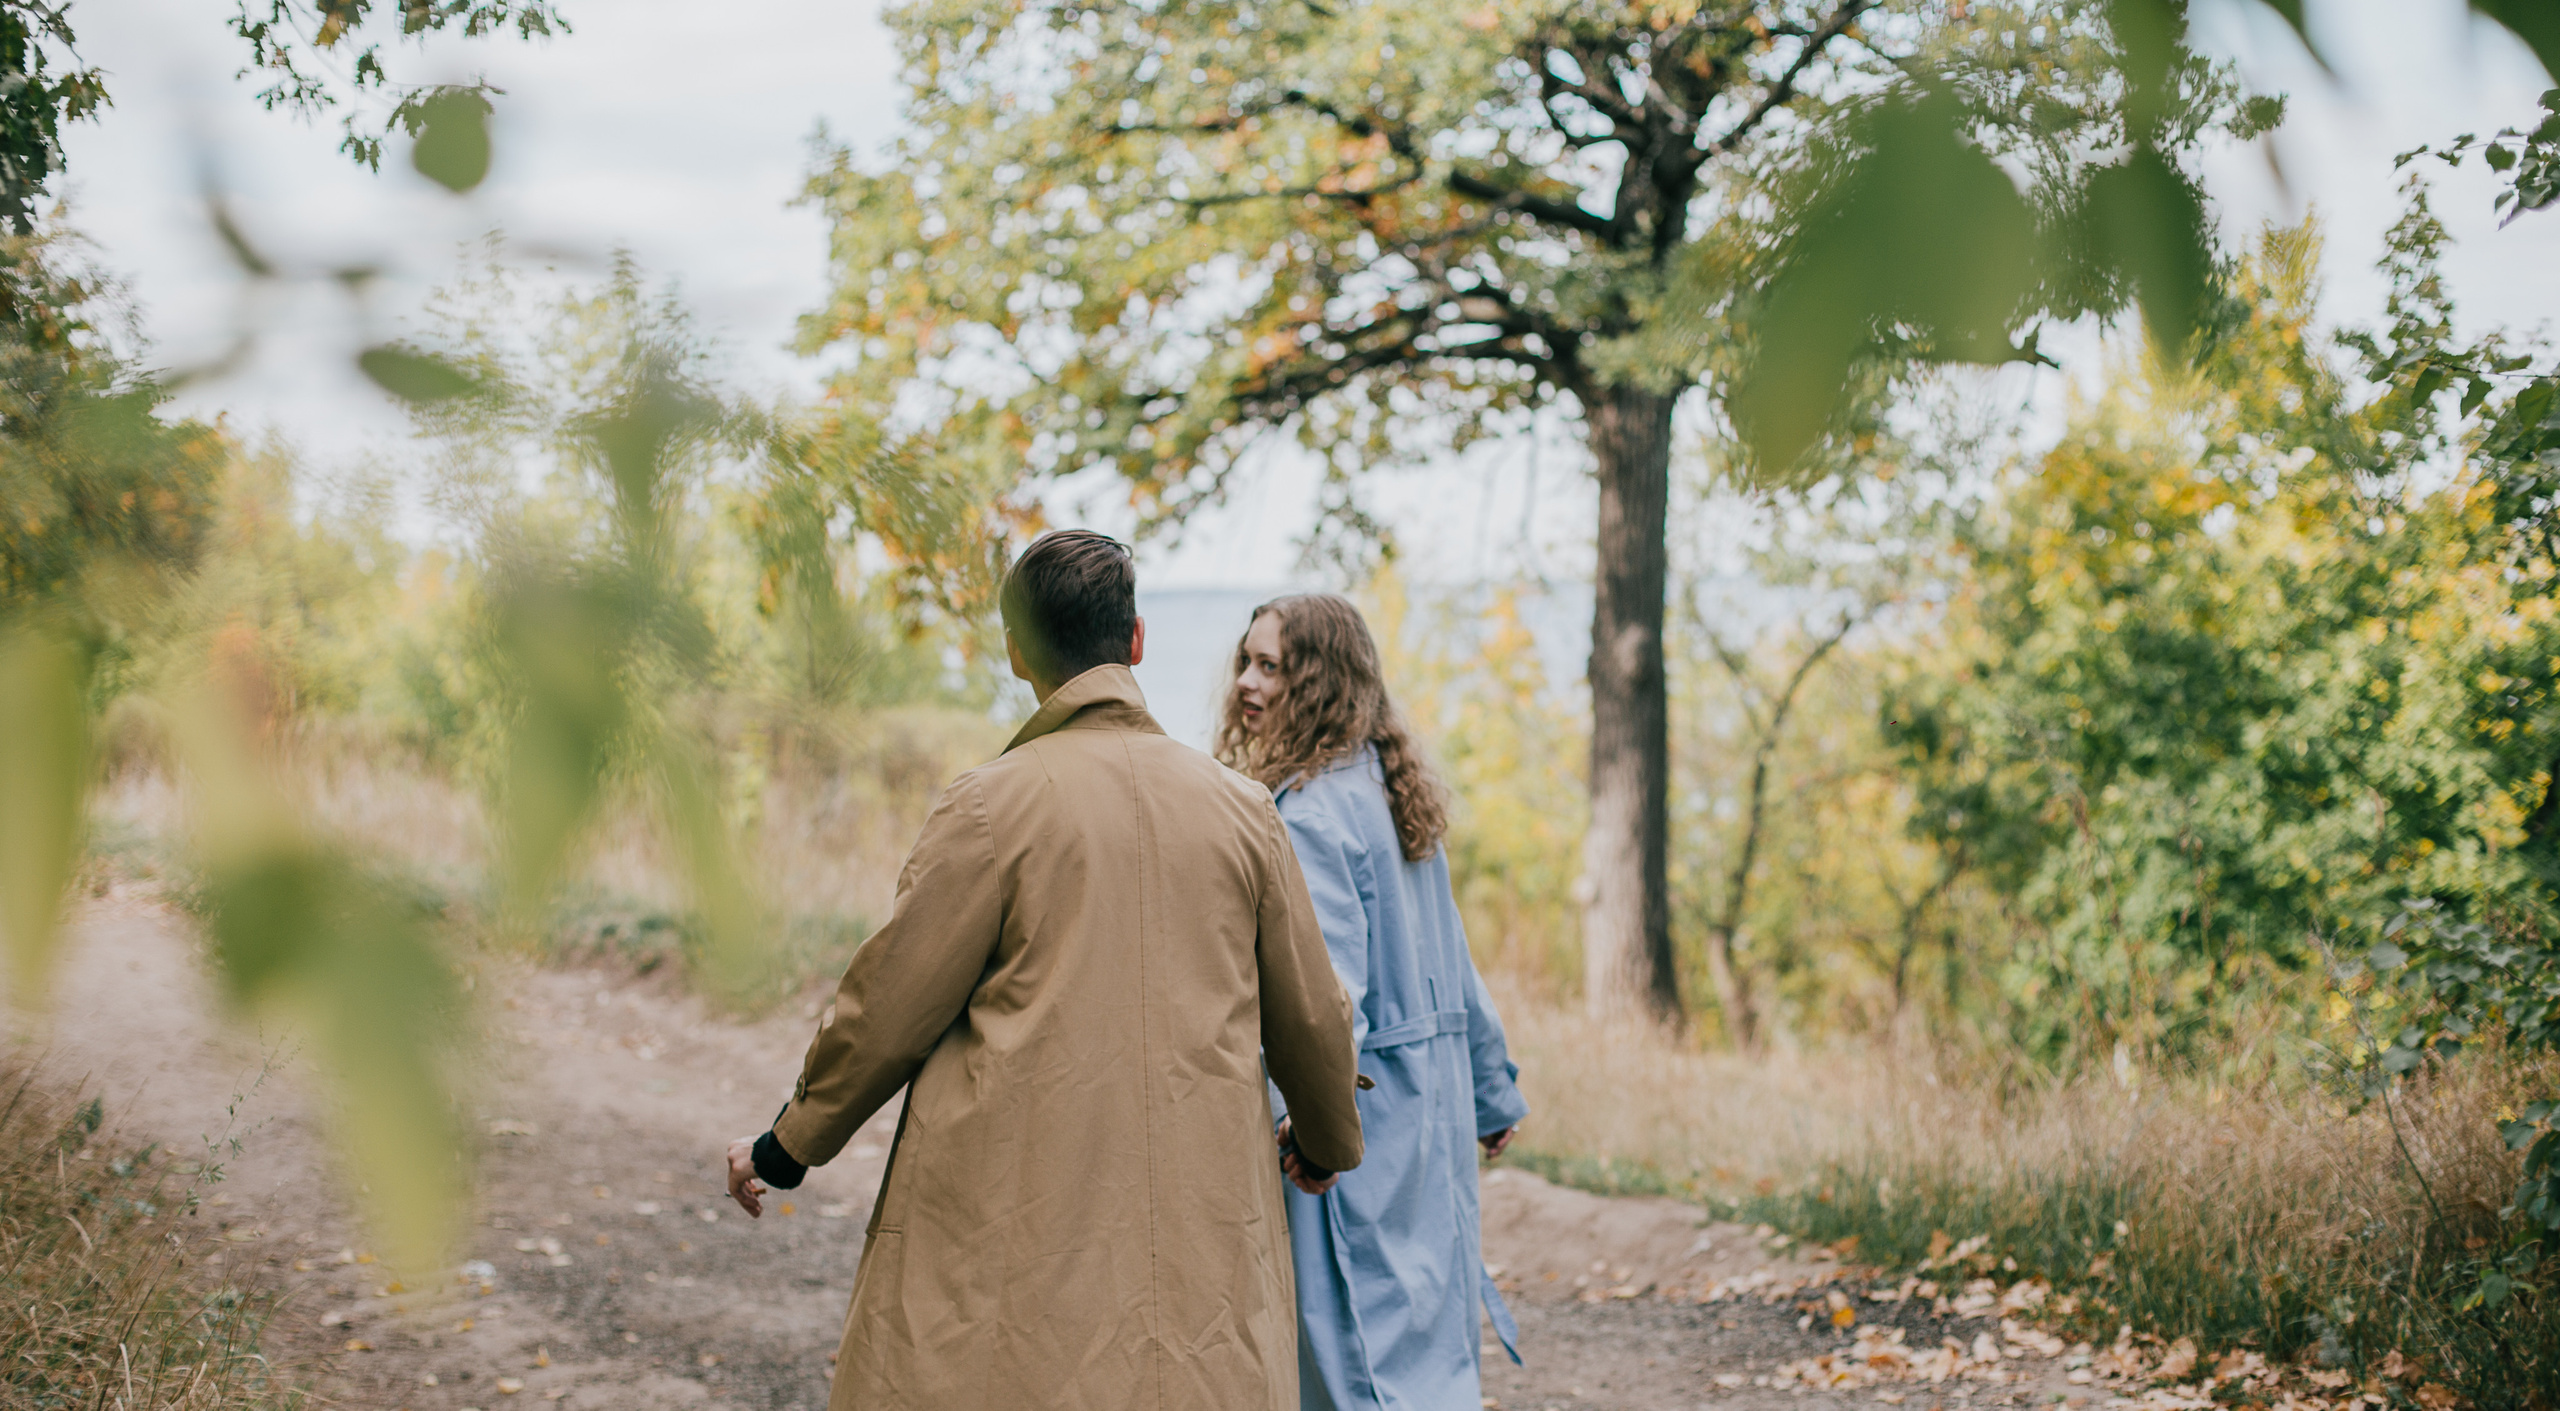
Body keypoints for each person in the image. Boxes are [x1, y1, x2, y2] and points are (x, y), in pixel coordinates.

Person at [723, 530, 1365, 1411]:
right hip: (1197, 1254)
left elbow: (885, 1011)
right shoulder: (1243, 810)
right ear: (1136, 640)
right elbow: (1316, 1016)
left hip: (1013, 1239)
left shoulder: (989, 805)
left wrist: (786, 1147)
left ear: (1016, 650)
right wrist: (1326, 1140)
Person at [1216, 592, 1531, 1411]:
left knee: (1358, 1357)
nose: (1246, 682)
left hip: (1360, 1120)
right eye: (1245, 660)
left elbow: (1326, 1005)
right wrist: (1490, 1090)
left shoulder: (1314, 812)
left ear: (1320, 681)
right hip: (1428, 1111)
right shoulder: (1392, 788)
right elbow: (1457, 963)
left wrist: (1315, 1136)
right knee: (1424, 1338)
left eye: (1270, 665)